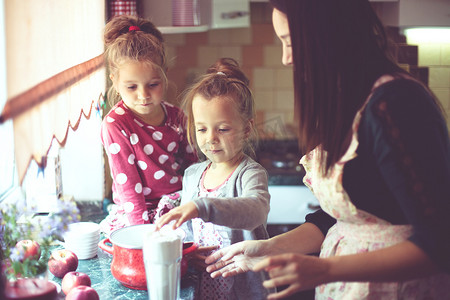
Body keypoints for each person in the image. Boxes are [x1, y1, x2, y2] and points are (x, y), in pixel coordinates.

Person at [205, 1, 450, 299]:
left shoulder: (396, 104)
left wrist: (325, 269)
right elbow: (344, 217)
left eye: (290, 42)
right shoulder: (350, 101)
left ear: (330, 34)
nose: (285, 58)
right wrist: (268, 247)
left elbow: (440, 243)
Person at [155, 58, 273, 299]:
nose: (211, 138)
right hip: (202, 288)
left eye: (223, 129)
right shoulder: (192, 175)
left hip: (244, 291)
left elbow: (256, 211)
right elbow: (186, 233)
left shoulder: (249, 174)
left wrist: (202, 206)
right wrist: (187, 253)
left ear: (247, 129)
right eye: (202, 129)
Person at [100, 15, 197, 234]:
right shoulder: (116, 124)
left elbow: (192, 167)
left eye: (153, 84)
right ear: (114, 80)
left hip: (176, 203)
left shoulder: (177, 116)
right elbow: (128, 188)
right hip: (137, 210)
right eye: (132, 87)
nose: (143, 95)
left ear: (165, 76)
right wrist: (141, 233)